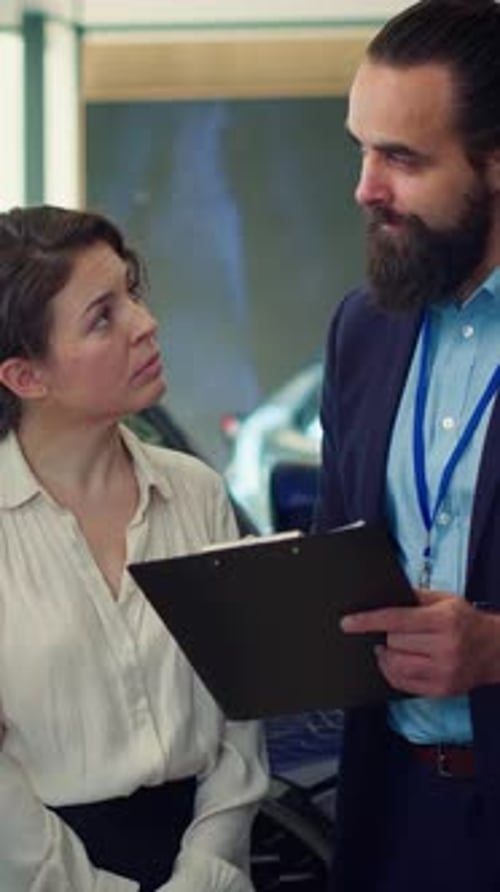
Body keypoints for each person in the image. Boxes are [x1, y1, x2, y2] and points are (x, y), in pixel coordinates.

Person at [0, 205, 268, 892]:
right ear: (27, 377)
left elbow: (243, 707)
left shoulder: (198, 493)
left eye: (133, 293)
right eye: (102, 316)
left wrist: (207, 870)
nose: (145, 324)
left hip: (208, 864)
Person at [314, 1, 500, 890]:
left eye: (403, 158)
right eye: (362, 147)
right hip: (393, 818)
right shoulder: (363, 328)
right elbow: (338, 561)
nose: (365, 187)